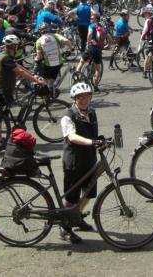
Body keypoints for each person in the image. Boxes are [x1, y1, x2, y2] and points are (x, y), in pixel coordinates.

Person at [58, 82, 103, 244]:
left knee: (88, 193)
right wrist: (92, 142)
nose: (84, 99)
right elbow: (72, 137)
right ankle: (65, 227)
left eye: (86, 96)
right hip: (74, 161)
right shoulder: (68, 116)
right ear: (74, 99)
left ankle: (76, 217)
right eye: (80, 97)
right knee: (72, 198)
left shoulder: (91, 112)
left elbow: (92, 133)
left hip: (89, 158)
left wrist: (100, 141)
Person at [35, 23, 73, 95]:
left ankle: (47, 93)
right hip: (58, 62)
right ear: (48, 29)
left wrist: (37, 58)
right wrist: (72, 49)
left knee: (46, 79)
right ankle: (51, 91)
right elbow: (66, 41)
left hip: (48, 64)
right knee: (52, 79)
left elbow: (39, 57)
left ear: (40, 31)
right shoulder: (54, 36)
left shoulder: (39, 41)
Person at [75, 12, 107, 92]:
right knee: (97, 70)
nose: (90, 19)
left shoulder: (92, 26)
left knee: (82, 62)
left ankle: (76, 78)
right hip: (98, 50)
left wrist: (88, 44)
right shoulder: (101, 27)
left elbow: (89, 34)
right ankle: (95, 86)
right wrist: (108, 45)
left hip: (90, 48)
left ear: (96, 19)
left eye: (92, 18)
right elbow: (108, 38)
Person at [138, 6, 153, 78]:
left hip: (151, 41)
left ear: (148, 13)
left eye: (145, 14)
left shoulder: (148, 20)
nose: (145, 15)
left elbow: (145, 31)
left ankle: (144, 73)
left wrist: (141, 40)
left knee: (148, 56)